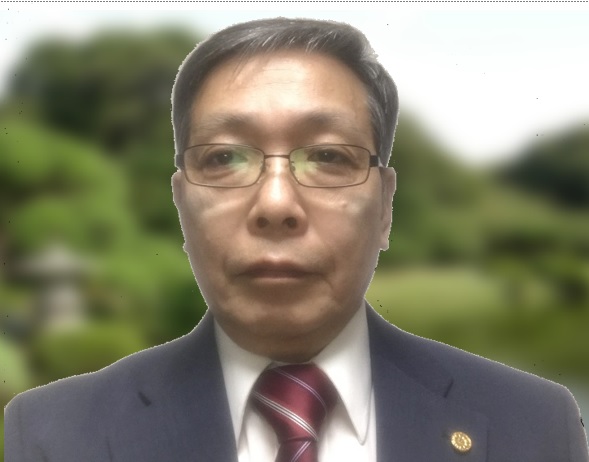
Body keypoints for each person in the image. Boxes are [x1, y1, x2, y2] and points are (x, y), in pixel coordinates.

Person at [4, 17, 588, 462]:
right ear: (182, 203)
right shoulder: (52, 435)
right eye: (225, 157)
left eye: (328, 156)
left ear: (385, 207)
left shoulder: (534, 425)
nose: (277, 204)